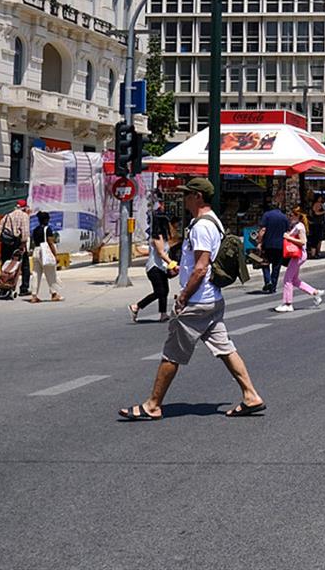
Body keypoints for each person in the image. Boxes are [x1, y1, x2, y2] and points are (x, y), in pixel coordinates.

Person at [118, 177, 266, 420]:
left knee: (171, 353)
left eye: (187, 194)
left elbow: (201, 267)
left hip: (197, 301)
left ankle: (153, 405)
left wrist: (184, 296)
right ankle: (250, 395)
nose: (184, 198)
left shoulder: (201, 227)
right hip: (212, 299)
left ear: (198, 197)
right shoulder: (213, 222)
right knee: (225, 348)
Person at [275, 207, 324, 313]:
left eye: (292, 215)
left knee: (287, 279)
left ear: (298, 216)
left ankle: (288, 304)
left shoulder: (299, 226)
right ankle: (315, 292)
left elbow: (303, 241)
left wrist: (288, 237)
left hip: (299, 254)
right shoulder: (298, 226)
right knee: (295, 280)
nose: (290, 217)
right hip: (298, 255)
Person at [129, 213, 175, 322]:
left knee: (165, 291)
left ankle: (163, 314)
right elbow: (161, 253)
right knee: (159, 291)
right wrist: (172, 264)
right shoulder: (157, 237)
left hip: (161, 268)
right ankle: (136, 306)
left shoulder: (163, 237)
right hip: (154, 268)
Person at [0, 199, 31, 297]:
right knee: (24, 265)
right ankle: (24, 288)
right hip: (17, 243)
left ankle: (4, 283)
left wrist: (4, 240)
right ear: (24, 207)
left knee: (6, 265)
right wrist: (22, 246)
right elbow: (25, 234)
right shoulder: (24, 216)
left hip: (6, 243)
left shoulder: (7, 215)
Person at [28, 211, 63, 303]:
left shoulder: (35, 230)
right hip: (45, 252)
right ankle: (54, 294)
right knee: (51, 274)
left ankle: (34, 295)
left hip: (36, 251)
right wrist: (55, 255)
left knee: (36, 274)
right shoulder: (48, 229)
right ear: (47, 220)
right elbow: (50, 243)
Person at [257, 203, 290, 293]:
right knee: (276, 266)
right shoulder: (284, 217)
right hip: (280, 245)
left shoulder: (266, 215)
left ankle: (268, 281)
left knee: (265, 263)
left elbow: (263, 230)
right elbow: (288, 231)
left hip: (267, 245)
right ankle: (273, 285)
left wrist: (259, 242)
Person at [307, 193, 325, 259]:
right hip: (317, 223)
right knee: (317, 239)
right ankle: (315, 253)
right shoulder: (317, 204)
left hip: (319, 223)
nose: (321, 198)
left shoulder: (320, 204)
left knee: (319, 239)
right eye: (320, 197)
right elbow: (316, 212)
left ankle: (317, 252)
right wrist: (324, 212)